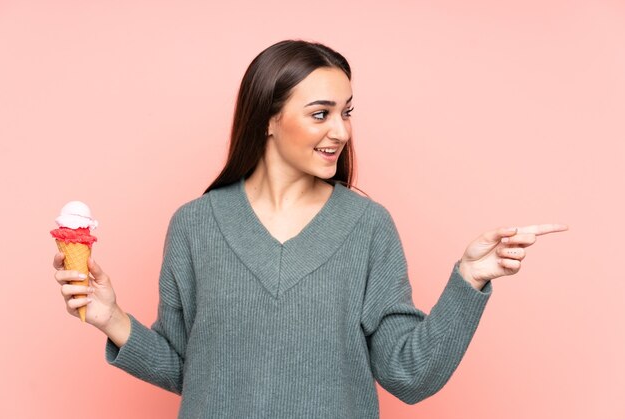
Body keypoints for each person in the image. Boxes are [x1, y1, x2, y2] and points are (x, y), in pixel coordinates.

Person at [52, 39, 568, 418]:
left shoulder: (367, 226)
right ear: (269, 118)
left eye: (346, 113)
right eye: (320, 113)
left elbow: (409, 375)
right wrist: (111, 317)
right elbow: (192, 371)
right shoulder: (195, 225)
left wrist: (469, 280)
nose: (340, 131)